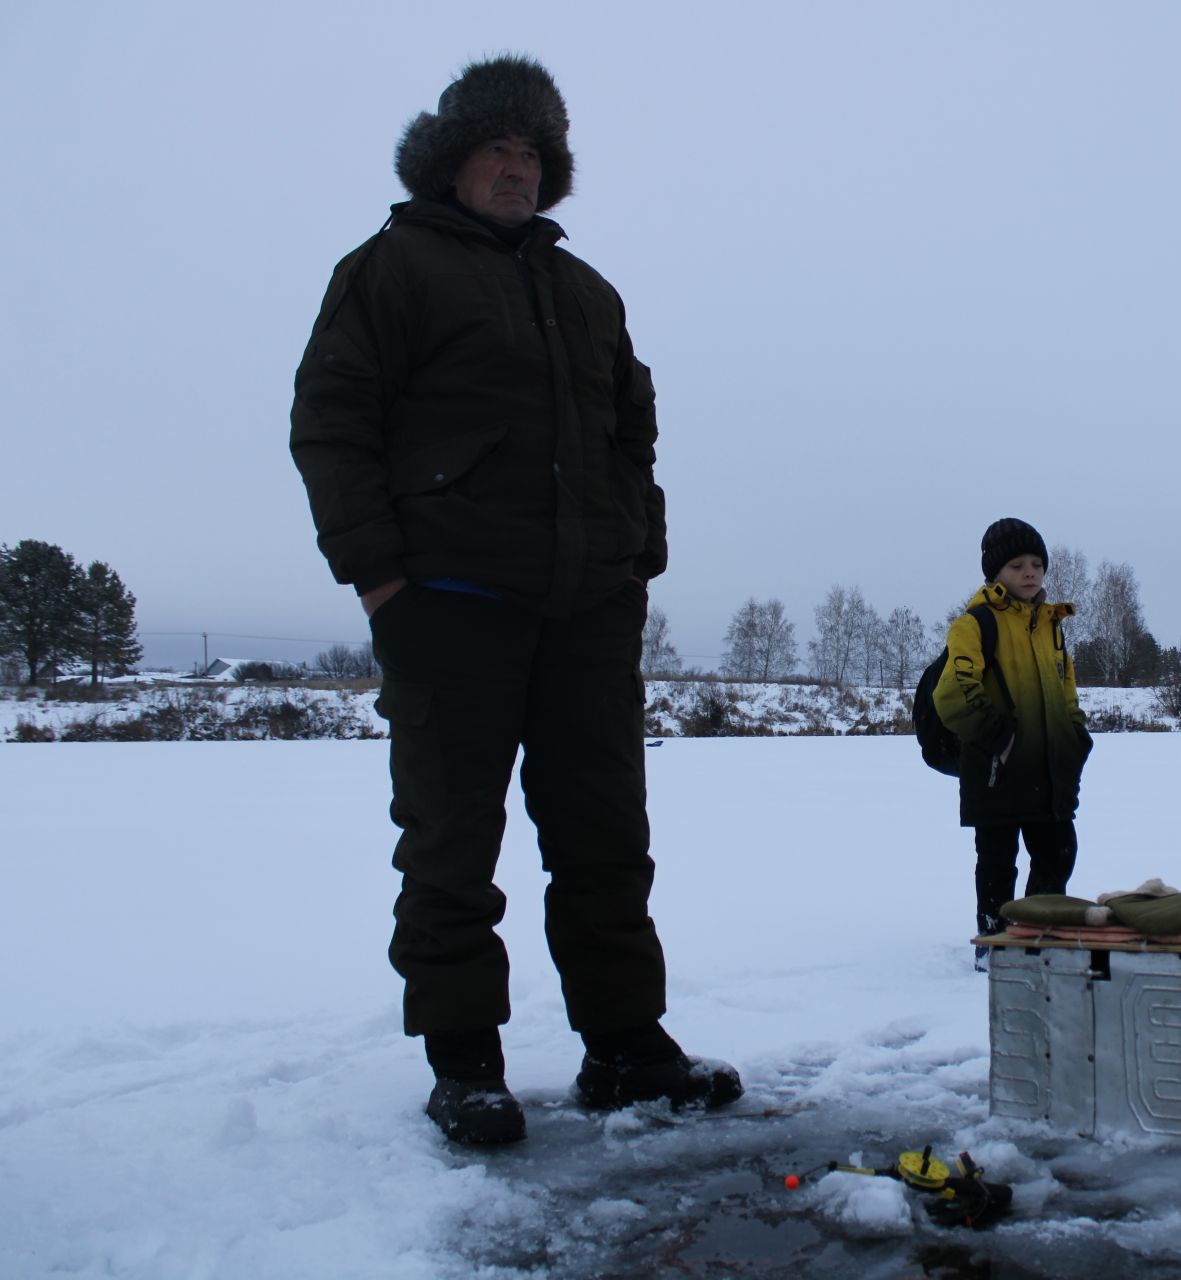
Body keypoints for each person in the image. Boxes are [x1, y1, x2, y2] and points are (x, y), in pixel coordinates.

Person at [289, 55, 740, 1145]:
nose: (515, 168)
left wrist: (640, 558)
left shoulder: (588, 294)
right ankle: (466, 1062)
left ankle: (626, 1045)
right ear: (449, 163)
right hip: (448, 599)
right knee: (450, 835)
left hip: (587, 607)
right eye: (496, 148)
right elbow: (331, 424)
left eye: (532, 152)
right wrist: (383, 579)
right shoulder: (389, 269)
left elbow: (634, 435)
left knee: (604, 837)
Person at [932, 518, 1094, 951]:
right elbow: (953, 693)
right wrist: (1000, 741)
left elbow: (1067, 693)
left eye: (1037, 564)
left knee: (1058, 853)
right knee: (998, 864)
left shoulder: (1050, 626)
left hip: (1049, 769)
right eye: (1017, 564)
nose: (1029, 572)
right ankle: (996, 942)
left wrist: (1075, 740)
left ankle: (1039, 936)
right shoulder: (975, 623)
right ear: (995, 573)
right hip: (995, 770)